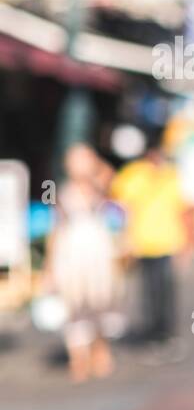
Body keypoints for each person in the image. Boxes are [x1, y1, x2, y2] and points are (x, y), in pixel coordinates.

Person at [44, 144, 123, 382]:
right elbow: (56, 228)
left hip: (97, 251)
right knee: (74, 306)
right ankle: (78, 358)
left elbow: (112, 179)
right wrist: (48, 267)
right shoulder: (63, 192)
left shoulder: (99, 186)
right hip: (72, 254)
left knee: (100, 302)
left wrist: (94, 166)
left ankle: (100, 349)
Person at [111, 131, 193, 355]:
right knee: (148, 292)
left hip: (168, 242)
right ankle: (153, 334)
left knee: (166, 290)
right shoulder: (133, 176)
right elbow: (119, 208)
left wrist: (188, 243)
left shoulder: (172, 176)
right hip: (142, 244)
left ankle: (167, 333)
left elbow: (184, 210)